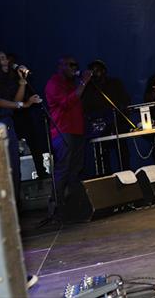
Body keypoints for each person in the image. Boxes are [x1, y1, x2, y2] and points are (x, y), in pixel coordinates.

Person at [0, 50, 42, 202]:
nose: (7, 62)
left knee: (14, 171)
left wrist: (22, 82)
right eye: (3, 59)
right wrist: (23, 104)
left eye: (6, 59)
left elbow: (14, 102)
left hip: (7, 125)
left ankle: (15, 208)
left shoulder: (4, 79)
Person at [44, 56, 92, 219]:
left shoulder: (73, 83)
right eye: (71, 65)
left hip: (77, 130)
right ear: (61, 66)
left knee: (75, 168)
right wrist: (83, 83)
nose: (74, 67)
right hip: (62, 131)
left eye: (76, 65)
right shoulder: (54, 83)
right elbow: (66, 103)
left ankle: (72, 204)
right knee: (63, 168)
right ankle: (55, 206)